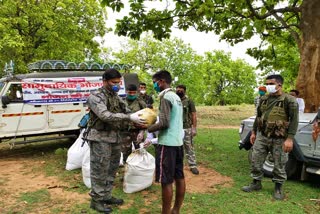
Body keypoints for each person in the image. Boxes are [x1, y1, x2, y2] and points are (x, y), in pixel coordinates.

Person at [85, 68, 146, 213]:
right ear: (104, 81)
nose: (117, 85)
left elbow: (127, 111)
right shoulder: (95, 97)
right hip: (100, 138)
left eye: (119, 83)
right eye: (114, 82)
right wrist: (129, 118)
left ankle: (106, 195)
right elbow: (105, 115)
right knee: (99, 169)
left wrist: (139, 118)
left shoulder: (116, 96)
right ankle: (96, 200)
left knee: (112, 168)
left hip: (115, 138)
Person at [241, 74, 298, 200]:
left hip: (279, 138)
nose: (268, 86)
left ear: (279, 85)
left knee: (279, 163)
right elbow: (258, 117)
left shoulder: (289, 100)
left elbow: (294, 121)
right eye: (267, 84)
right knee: (256, 160)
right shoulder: (264, 99)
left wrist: (290, 139)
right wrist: (254, 132)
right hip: (262, 135)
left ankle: (278, 188)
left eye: (271, 84)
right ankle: (256, 183)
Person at [147, 70, 185, 214]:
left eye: (155, 83)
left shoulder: (166, 97)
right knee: (179, 177)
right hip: (178, 143)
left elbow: (164, 123)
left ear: (161, 81)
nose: (154, 85)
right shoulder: (176, 97)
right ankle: (176, 210)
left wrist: (148, 128)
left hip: (167, 145)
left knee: (166, 181)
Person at [176, 84, 199, 175]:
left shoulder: (189, 101)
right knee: (177, 147)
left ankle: (193, 165)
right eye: (177, 89)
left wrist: (194, 128)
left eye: (181, 90)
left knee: (189, 146)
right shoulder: (174, 100)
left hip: (187, 128)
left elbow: (193, 114)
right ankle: (178, 165)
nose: (179, 91)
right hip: (176, 128)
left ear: (184, 91)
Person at [121, 84, 146, 163]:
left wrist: (142, 132)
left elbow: (145, 118)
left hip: (137, 131)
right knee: (125, 152)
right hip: (125, 131)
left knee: (140, 150)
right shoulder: (121, 102)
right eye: (130, 92)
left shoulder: (140, 102)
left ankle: (141, 168)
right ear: (126, 91)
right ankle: (128, 168)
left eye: (133, 93)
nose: (132, 94)